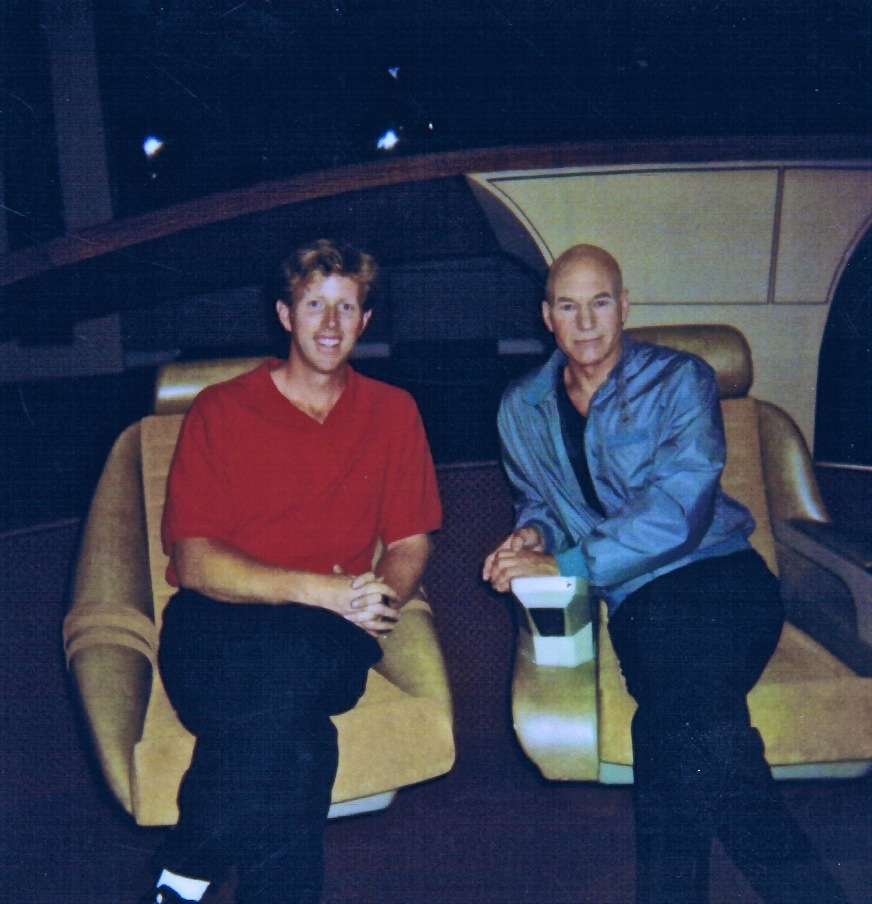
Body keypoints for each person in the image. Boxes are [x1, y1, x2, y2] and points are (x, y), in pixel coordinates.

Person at [483, 244, 847, 904]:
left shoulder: (682, 380)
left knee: (675, 729)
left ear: (625, 309)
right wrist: (531, 532)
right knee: (684, 733)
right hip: (638, 605)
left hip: (722, 579)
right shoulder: (520, 409)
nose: (586, 321)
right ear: (547, 317)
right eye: (569, 305)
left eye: (600, 303)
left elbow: (678, 511)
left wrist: (560, 563)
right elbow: (540, 500)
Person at [139, 239, 442, 904]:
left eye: (347, 307)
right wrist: (328, 590)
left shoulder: (394, 413)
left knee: (279, 720)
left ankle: (183, 871)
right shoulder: (221, 409)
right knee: (297, 749)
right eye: (314, 305)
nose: (330, 324)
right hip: (217, 624)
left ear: (365, 320)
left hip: (326, 630)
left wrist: (377, 598)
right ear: (285, 314)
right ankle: (186, 873)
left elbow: (413, 537)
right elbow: (193, 560)